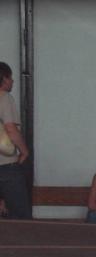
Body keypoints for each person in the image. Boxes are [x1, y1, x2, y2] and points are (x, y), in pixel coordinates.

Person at [0, 62, 31, 219]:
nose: (12, 81)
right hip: (6, 166)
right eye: (10, 78)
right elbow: (11, 129)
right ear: (4, 79)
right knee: (21, 217)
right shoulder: (4, 97)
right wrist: (24, 151)